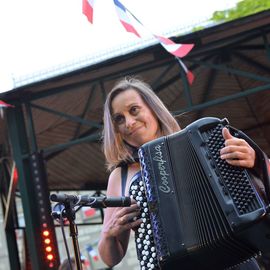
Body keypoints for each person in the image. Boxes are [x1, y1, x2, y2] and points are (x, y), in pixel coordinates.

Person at [98, 77, 261, 269]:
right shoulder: (121, 176)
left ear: (153, 108)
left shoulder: (202, 143)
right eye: (119, 119)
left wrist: (254, 161)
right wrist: (109, 235)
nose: (129, 122)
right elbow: (110, 259)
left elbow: (254, 196)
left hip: (235, 261)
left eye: (134, 110)